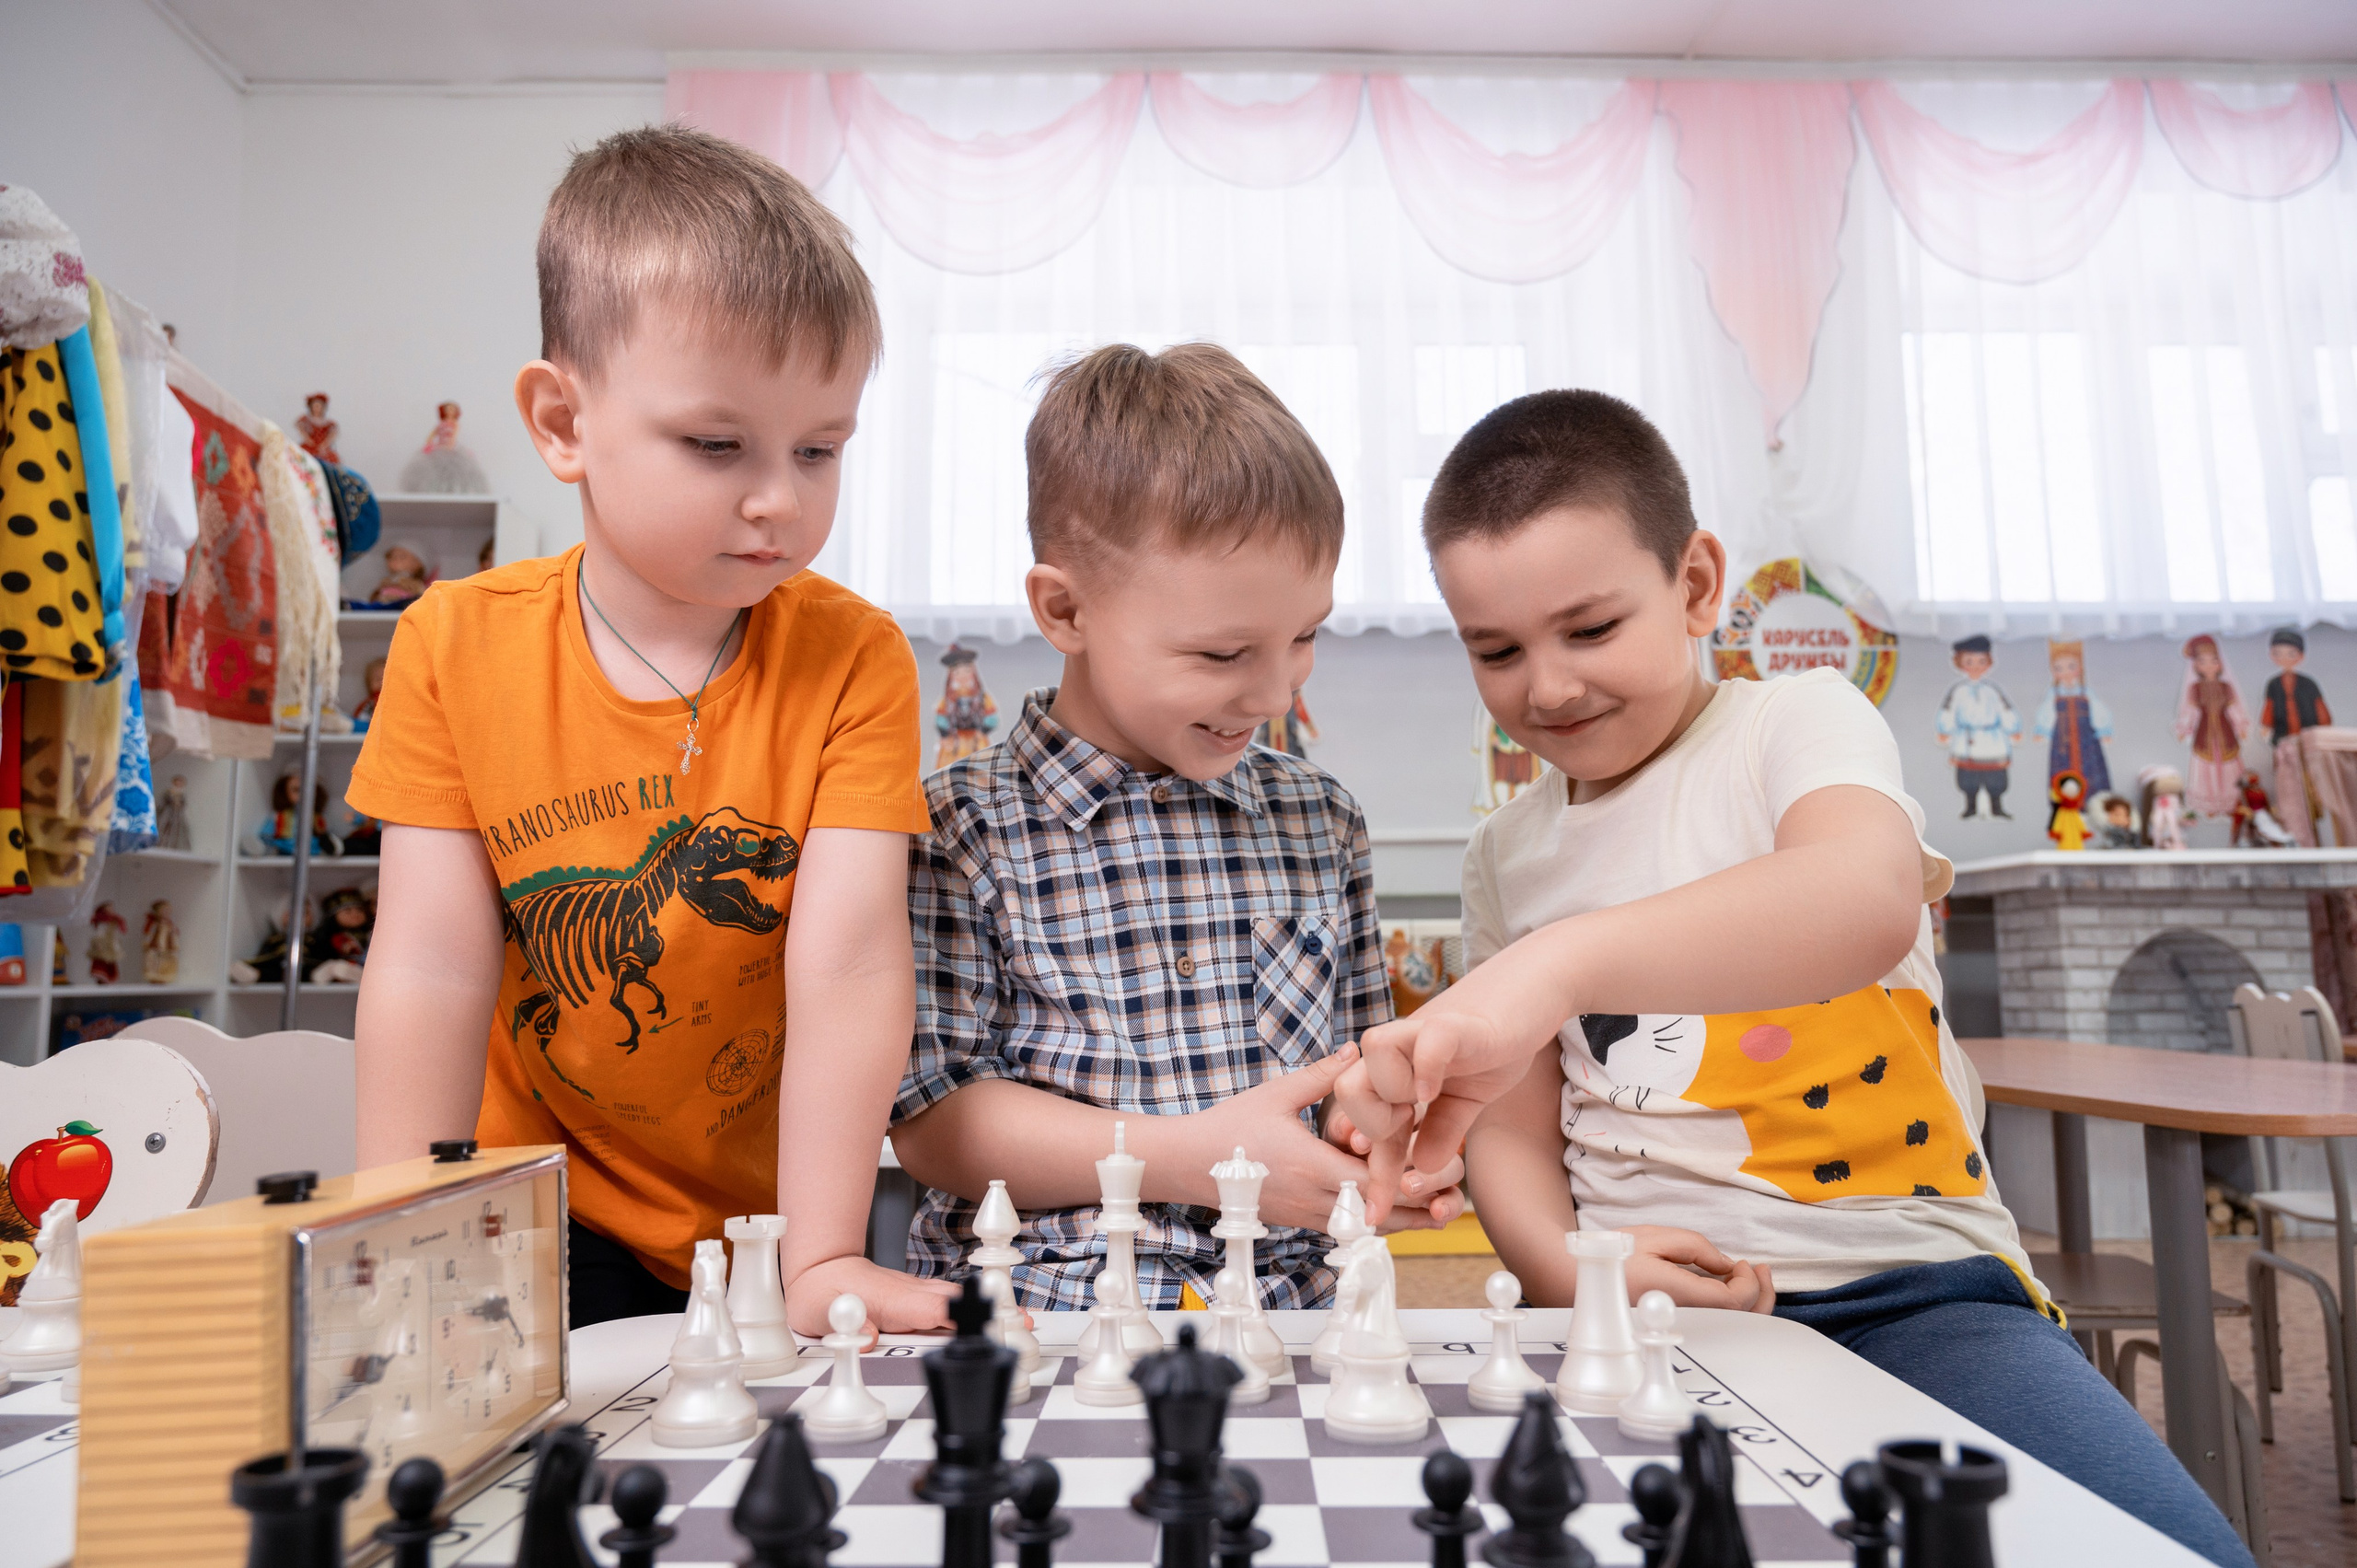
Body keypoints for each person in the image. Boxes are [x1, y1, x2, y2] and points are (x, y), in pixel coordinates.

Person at [1330, 389, 2254, 1568]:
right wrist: (1566, 1263)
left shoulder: (1799, 721)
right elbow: (1511, 1128)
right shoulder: (1503, 854)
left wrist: (1556, 964)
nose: (1547, 687)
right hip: (1641, 1310)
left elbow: (1861, 899)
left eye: (1590, 628)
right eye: (1496, 649)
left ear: (1697, 585)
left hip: (1920, 1287)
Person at [345, 124, 946, 1338]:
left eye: (820, 448)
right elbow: (429, 967)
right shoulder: (451, 644)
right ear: (563, 422)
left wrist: (823, 1250)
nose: (780, 496)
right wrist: (393, 1228)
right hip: (542, 1208)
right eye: (718, 445)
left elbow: (848, 966)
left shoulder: (855, 655)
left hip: (779, 1212)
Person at [890, 343, 1463, 1311]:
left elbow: (1359, 1072)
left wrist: (1385, 1138)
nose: (1277, 689)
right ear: (1064, 609)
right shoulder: (954, 825)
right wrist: (1190, 1158)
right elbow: (932, 1119)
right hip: (1049, 1309)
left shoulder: (1320, 821)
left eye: (1305, 634)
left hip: (1292, 1314)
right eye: (1223, 651)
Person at [2175, 633, 2249, 821]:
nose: (2208, 666)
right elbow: (2190, 712)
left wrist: (2240, 726)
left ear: (2220, 663)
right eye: (2203, 662)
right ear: (2196, 665)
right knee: (2206, 765)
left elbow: (2233, 709)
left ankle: (2229, 803)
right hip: (2204, 733)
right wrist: (2184, 729)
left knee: (2228, 765)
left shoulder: (2226, 687)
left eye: (2213, 661)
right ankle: (2209, 803)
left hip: (2226, 733)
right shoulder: (2195, 689)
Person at [2033, 638, 2113, 801]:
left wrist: (2104, 730)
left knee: (2091, 770)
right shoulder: (2054, 694)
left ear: (2080, 668)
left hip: (2087, 739)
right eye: (2059, 668)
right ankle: (2065, 806)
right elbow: (2046, 712)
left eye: (2071, 667)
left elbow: (2099, 710)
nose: (2066, 672)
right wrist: (2043, 730)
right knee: (2063, 772)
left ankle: (2093, 801)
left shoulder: (2086, 692)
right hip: (2062, 742)